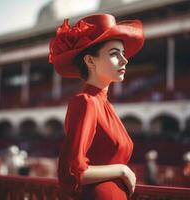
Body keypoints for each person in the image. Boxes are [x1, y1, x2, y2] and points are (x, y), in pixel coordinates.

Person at [49, 13, 145, 199]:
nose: (124, 60)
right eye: (114, 54)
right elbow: (71, 173)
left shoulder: (104, 104)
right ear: (90, 60)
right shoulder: (85, 102)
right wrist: (122, 170)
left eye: (123, 54)